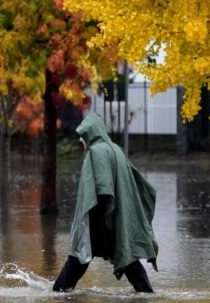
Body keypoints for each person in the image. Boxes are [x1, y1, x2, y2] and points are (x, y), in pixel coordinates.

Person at [52, 113, 158, 293]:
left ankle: (58, 293)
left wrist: (100, 220)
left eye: (83, 134)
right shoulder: (116, 149)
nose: (80, 139)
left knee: (79, 255)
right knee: (126, 256)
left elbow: (103, 187)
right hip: (116, 216)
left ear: (91, 133)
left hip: (100, 215)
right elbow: (133, 181)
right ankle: (147, 294)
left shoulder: (96, 152)